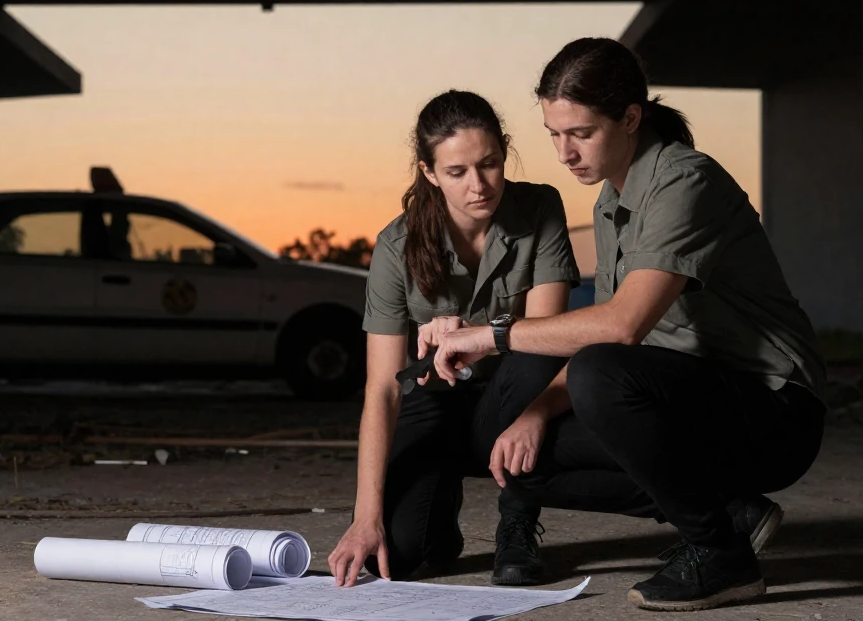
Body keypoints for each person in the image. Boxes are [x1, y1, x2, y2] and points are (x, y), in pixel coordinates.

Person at [431, 38, 828, 612]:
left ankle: (721, 555)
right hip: (690, 395)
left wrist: (490, 333)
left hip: (774, 409)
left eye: (581, 133)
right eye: (553, 134)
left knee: (599, 372)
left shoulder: (685, 182)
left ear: (631, 118)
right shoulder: (610, 201)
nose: (564, 153)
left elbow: (620, 328)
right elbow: (602, 334)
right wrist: (535, 414)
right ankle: (731, 514)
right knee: (513, 455)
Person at [326, 90, 582, 588]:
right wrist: (365, 516)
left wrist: (475, 336)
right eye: (457, 172)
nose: (480, 185)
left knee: (530, 356)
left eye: (489, 164)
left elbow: (549, 337)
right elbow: (382, 388)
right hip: (435, 398)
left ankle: (517, 526)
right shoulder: (395, 247)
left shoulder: (540, 208)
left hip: (515, 391)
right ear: (429, 172)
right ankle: (436, 516)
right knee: (396, 556)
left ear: (505, 150)